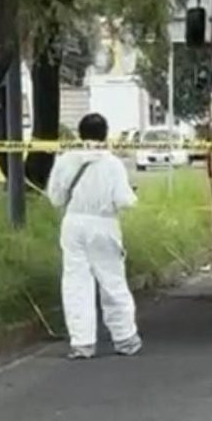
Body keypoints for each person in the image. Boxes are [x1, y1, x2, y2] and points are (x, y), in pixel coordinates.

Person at [47, 112, 142, 359]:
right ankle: (125, 338)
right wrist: (133, 195)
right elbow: (124, 200)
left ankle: (82, 342)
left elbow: (56, 198)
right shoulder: (113, 164)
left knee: (76, 282)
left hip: (73, 223)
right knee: (112, 281)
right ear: (105, 133)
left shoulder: (66, 160)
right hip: (104, 224)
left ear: (80, 133)